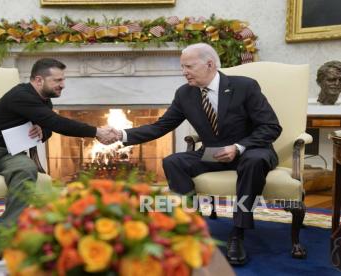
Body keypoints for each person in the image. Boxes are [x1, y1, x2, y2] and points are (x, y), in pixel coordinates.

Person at [101, 43, 282, 265]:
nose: (183, 72)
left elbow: (271, 127)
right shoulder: (185, 94)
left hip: (251, 151)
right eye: (182, 67)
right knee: (173, 161)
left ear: (209, 64)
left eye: (188, 66)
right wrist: (121, 134)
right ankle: (190, 225)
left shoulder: (245, 86)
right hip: (214, 154)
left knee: (254, 161)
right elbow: (161, 126)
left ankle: (238, 233)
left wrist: (238, 147)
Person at [0, 58, 115, 266]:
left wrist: (43, 132)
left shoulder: (44, 99)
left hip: (9, 152)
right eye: (58, 80)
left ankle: (5, 238)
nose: (63, 84)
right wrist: (96, 132)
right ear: (38, 79)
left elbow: (48, 126)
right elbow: (56, 122)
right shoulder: (20, 95)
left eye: (63, 79)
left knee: (27, 168)